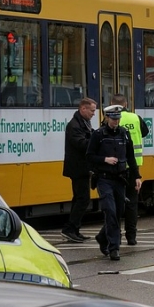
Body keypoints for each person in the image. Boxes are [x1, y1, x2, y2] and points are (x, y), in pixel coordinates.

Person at [86, 104, 141, 261]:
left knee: (117, 213)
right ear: (106, 118)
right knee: (110, 211)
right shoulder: (98, 135)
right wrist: (105, 159)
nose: (116, 122)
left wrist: (137, 176)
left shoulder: (124, 133)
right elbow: (89, 156)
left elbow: (131, 157)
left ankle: (102, 237)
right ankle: (114, 248)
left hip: (120, 179)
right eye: (113, 119)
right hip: (104, 179)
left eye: (118, 119)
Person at [110, 93, 149, 245]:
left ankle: (117, 235)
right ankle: (131, 237)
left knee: (116, 203)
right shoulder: (136, 118)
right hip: (134, 167)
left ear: (112, 104)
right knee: (132, 203)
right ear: (126, 104)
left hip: (116, 167)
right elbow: (145, 132)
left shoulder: (110, 119)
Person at [61, 97, 97, 242]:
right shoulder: (74, 125)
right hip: (78, 168)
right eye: (92, 111)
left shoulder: (83, 122)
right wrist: (96, 141)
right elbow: (81, 143)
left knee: (79, 198)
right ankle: (70, 229)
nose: (94, 114)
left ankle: (74, 229)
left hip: (82, 167)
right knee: (83, 199)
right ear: (83, 109)